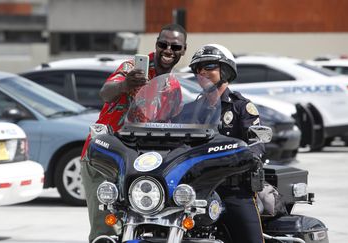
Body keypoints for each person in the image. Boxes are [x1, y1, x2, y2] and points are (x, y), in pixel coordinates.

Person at [80, 23, 187, 242]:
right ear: (156, 45)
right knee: (106, 231)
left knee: (136, 226)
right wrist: (125, 85)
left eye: (175, 47)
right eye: (163, 44)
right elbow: (105, 93)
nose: (168, 50)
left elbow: (171, 126)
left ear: (183, 51)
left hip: (137, 164)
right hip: (105, 157)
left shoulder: (174, 87)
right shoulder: (133, 68)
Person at [187, 43, 265, 243]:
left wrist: (250, 156)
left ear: (226, 70)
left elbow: (256, 143)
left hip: (233, 190)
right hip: (196, 188)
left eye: (210, 66)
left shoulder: (241, 107)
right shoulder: (191, 109)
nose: (203, 71)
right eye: (198, 68)